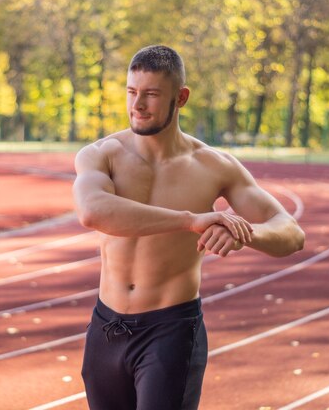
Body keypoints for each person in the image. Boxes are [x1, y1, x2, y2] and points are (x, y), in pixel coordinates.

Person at [73, 45, 305, 410]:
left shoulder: (214, 166)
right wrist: (191, 220)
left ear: (180, 98)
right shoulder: (101, 154)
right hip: (106, 328)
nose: (138, 105)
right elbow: (93, 211)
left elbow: (291, 233)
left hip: (170, 330)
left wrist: (243, 232)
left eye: (151, 94)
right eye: (132, 92)